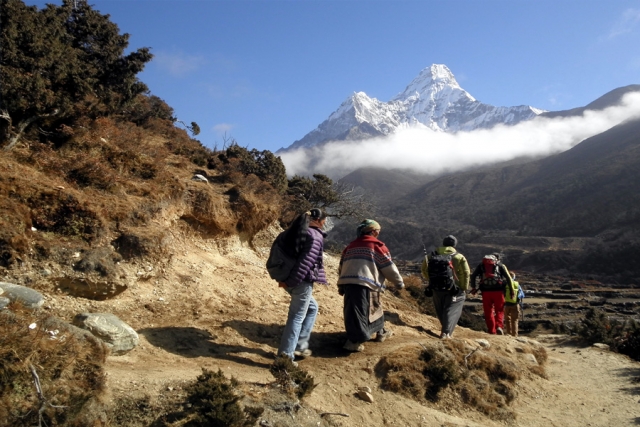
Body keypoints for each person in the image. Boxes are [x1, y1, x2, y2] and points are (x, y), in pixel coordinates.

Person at [337, 219, 404, 352]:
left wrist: (341, 284)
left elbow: (341, 266)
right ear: (373, 231)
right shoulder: (377, 246)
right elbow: (388, 267)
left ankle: (381, 331)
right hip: (366, 284)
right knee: (364, 312)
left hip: (349, 283)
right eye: (378, 231)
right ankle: (354, 341)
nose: (379, 233)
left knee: (356, 311)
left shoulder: (350, 247)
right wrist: (398, 282)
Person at [276, 208, 328, 365]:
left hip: (286, 279)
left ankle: (299, 345)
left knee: (312, 307)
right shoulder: (315, 235)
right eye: (324, 220)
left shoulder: (291, 232)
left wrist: (284, 279)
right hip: (300, 282)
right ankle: (285, 357)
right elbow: (305, 263)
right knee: (296, 317)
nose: (325, 223)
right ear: (319, 220)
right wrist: (291, 281)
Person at [421, 235, 470, 339]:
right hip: (454, 288)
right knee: (452, 309)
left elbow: (424, 269)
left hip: (436, 287)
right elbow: (466, 273)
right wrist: (463, 288)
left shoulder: (432, 255)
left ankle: (445, 330)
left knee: (440, 309)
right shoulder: (459, 257)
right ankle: (446, 333)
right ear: (454, 245)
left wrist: (432, 280)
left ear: (443, 244)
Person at [470, 252, 514, 335]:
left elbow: (473, 276)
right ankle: (499, 326)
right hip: (498, 291)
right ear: (497, 259)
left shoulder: (481, 265)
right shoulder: (500, 265)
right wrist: (511, 291)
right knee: (499, 310)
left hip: (486, 292)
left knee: (488, 311)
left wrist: (473, 288)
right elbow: (508, 278)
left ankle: (491, 330)